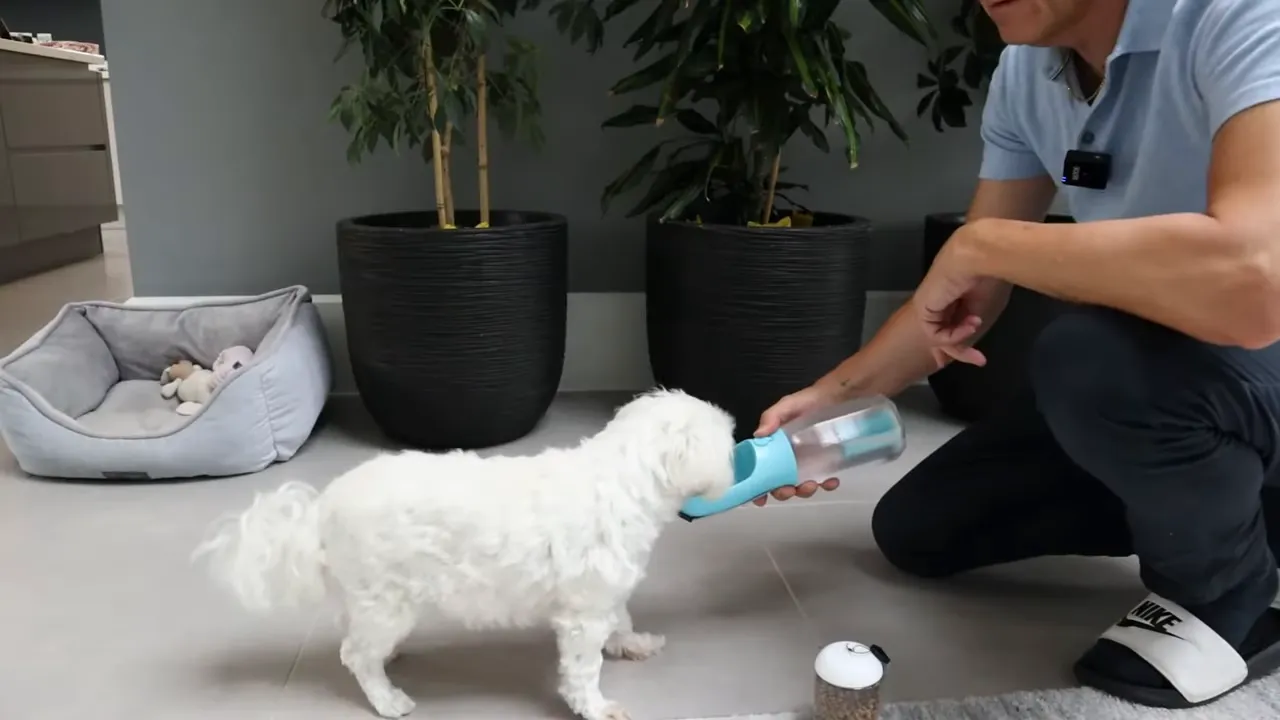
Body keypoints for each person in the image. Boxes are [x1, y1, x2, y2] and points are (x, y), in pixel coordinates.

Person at [754, 0, 1280, 710]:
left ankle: (1228, 595)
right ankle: (1241, 512)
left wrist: (983, 244)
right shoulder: (1029, 69)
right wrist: (833, 396)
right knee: (921, 528)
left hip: (1254, 353)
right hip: (1170, 379)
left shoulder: (1242, 17)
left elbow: (1255, 286)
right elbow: (964, 296)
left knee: (1087, 356)